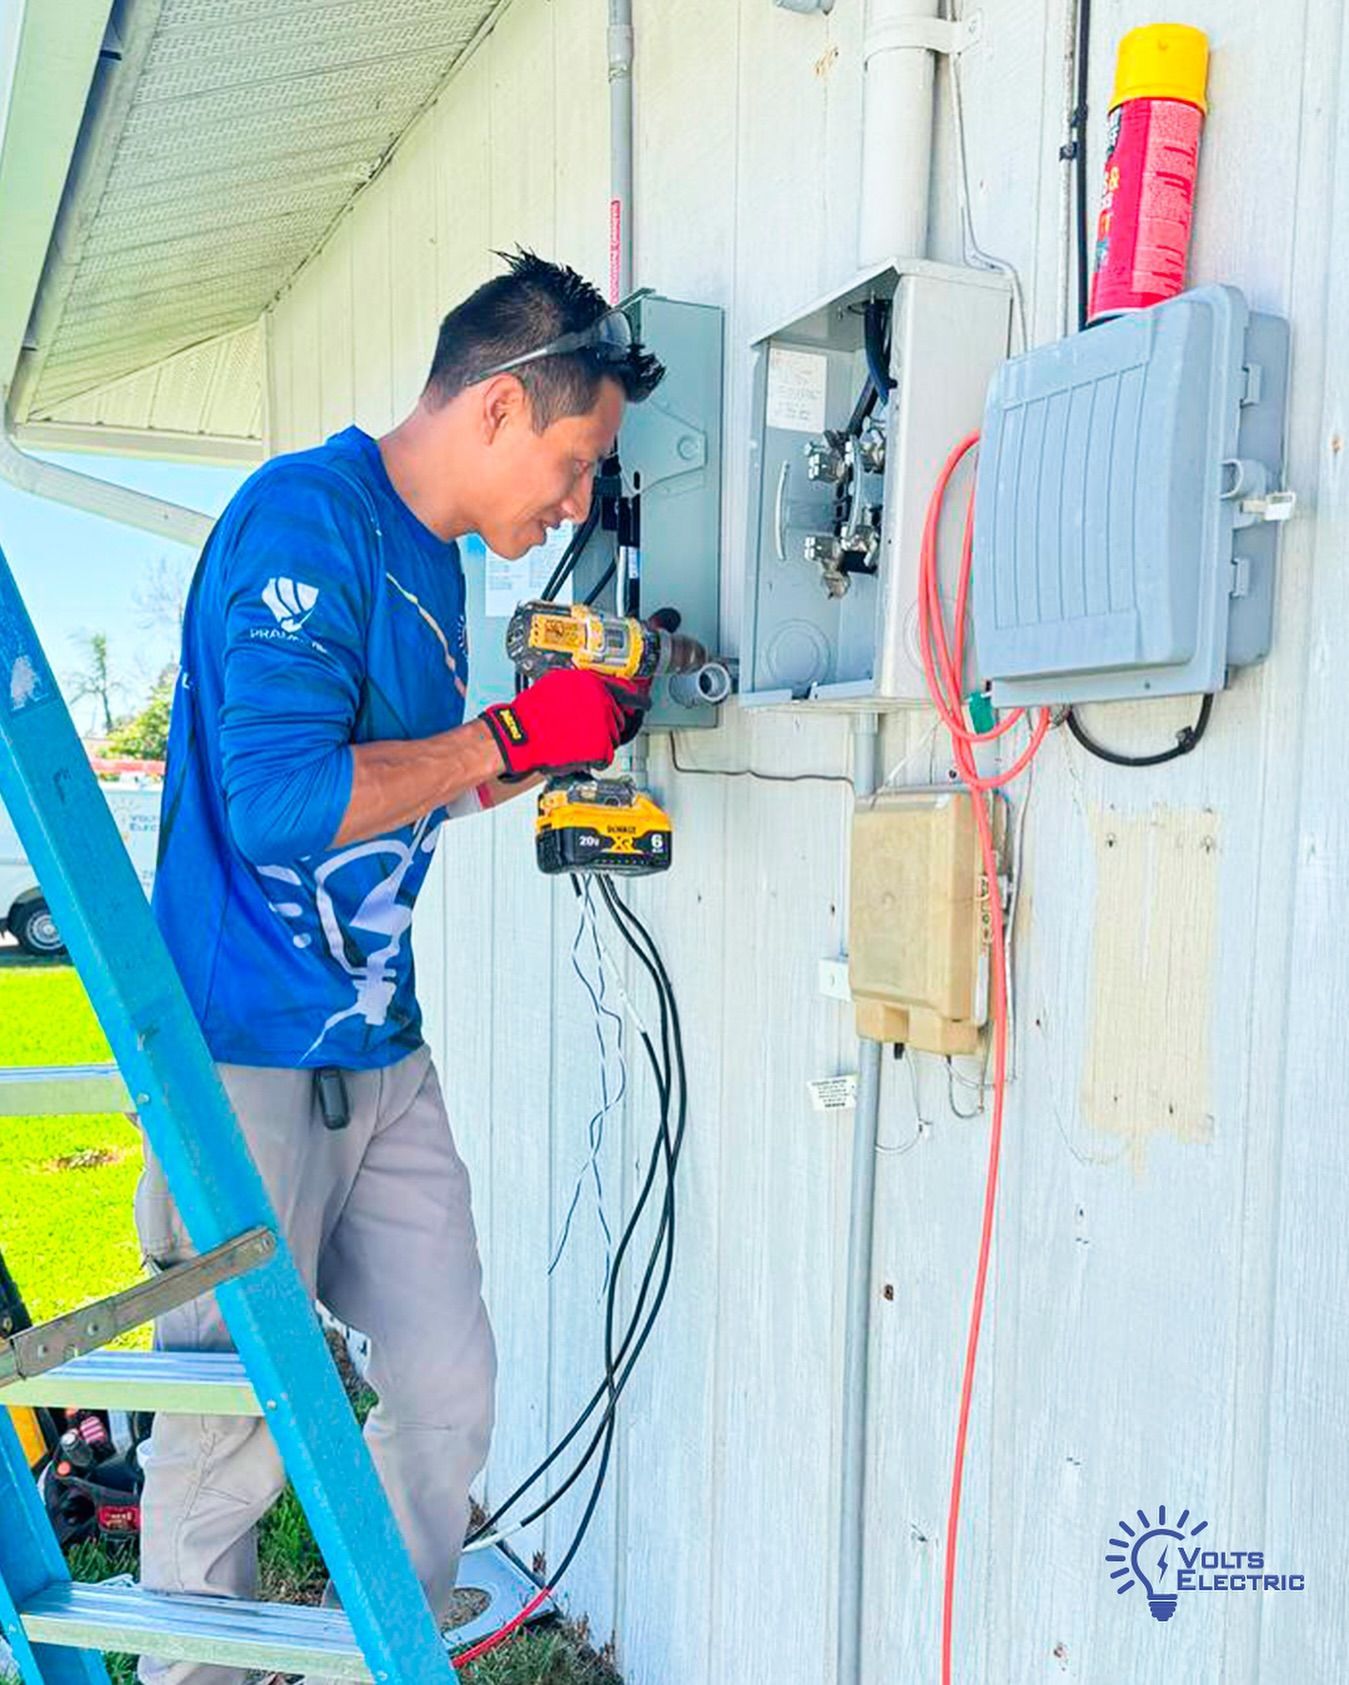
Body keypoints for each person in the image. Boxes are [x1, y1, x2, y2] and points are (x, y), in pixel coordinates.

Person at [133, 249, 666, 1685]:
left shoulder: (430, 561)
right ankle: (198, 1674)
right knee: (230, 1410)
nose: (571, 504)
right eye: (568, 463)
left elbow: (395, 787)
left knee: (444, 1381)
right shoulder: (306, 520)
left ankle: (374, 1652)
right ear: (497, 406)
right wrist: (499, 740)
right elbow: (279, 799)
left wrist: (536, 747)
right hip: (244, 1043)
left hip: (375, 1044)